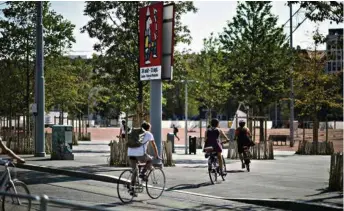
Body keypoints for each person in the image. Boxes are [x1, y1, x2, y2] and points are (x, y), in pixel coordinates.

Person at [127, 122, 160, 196]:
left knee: (135, 171)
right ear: (148, 128)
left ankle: (132, 189)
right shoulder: (148, 134)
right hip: (140, 154)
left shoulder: (134, 132)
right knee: (150, 160)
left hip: (130, 153)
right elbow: (154, 145)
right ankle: (143, 173)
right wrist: (157, 155)